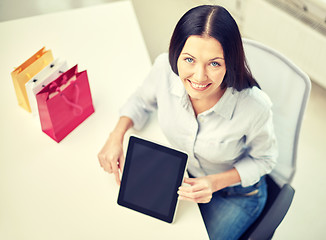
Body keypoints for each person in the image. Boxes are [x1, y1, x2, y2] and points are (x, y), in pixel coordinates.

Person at [98, 5, 277, 240]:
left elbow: (265, 160)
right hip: (185, 179)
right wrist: (116, 136)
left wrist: (213, 183)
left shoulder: (255, 107)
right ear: (176, 54)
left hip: (237, 195)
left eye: (214, 63)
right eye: (189, 59)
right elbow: (142, 100)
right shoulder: (164, 69)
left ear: (229, 63)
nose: (199, 77)